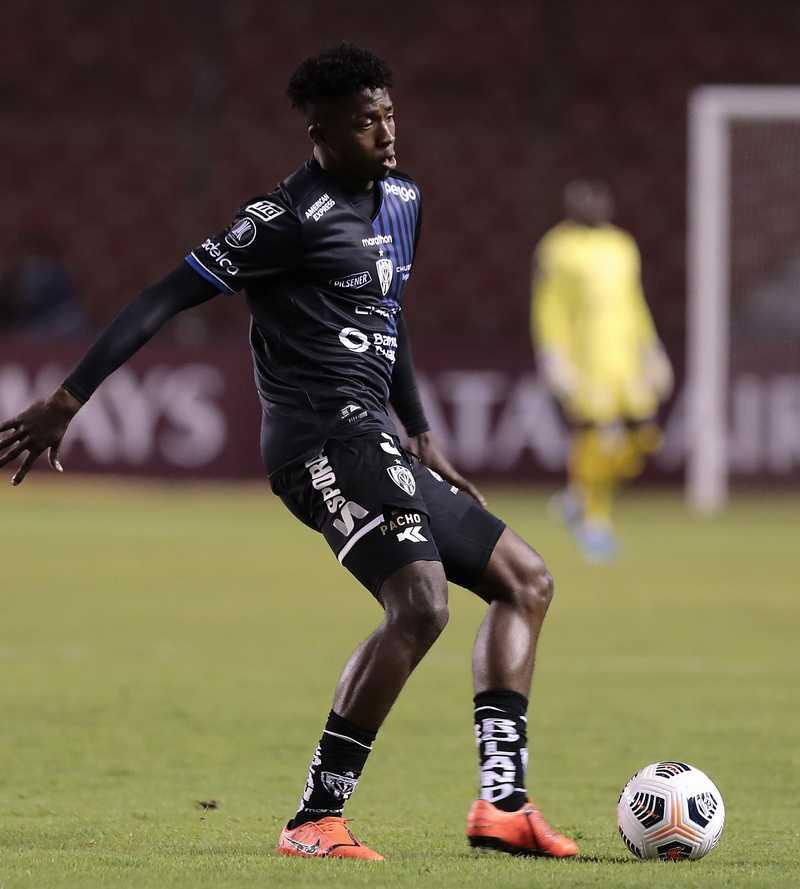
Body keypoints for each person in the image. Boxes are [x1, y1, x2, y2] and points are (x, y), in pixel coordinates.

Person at [0, 44, 577, 862]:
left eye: (390, 115)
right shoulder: (282, 219)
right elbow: (165, 295)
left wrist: (420, 429)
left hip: (376, 437)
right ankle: (315, 817)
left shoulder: (404, 198)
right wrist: (67, 399)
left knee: (527, 581)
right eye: (366, 122)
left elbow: (388, 310)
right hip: (318, 440)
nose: (386, 133)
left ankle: (503, 804)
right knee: (420, 606)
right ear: (322, 133)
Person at [531, 180, 673, 561]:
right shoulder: (557, 248)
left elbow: (634, 302)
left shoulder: (622, 246)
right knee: (595, 438)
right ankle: (595, 521)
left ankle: (578, 496)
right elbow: (549, 306)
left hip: (625, 360)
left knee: (644, 437)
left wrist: (651, 349)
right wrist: (553, 354)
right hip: (586, 361)